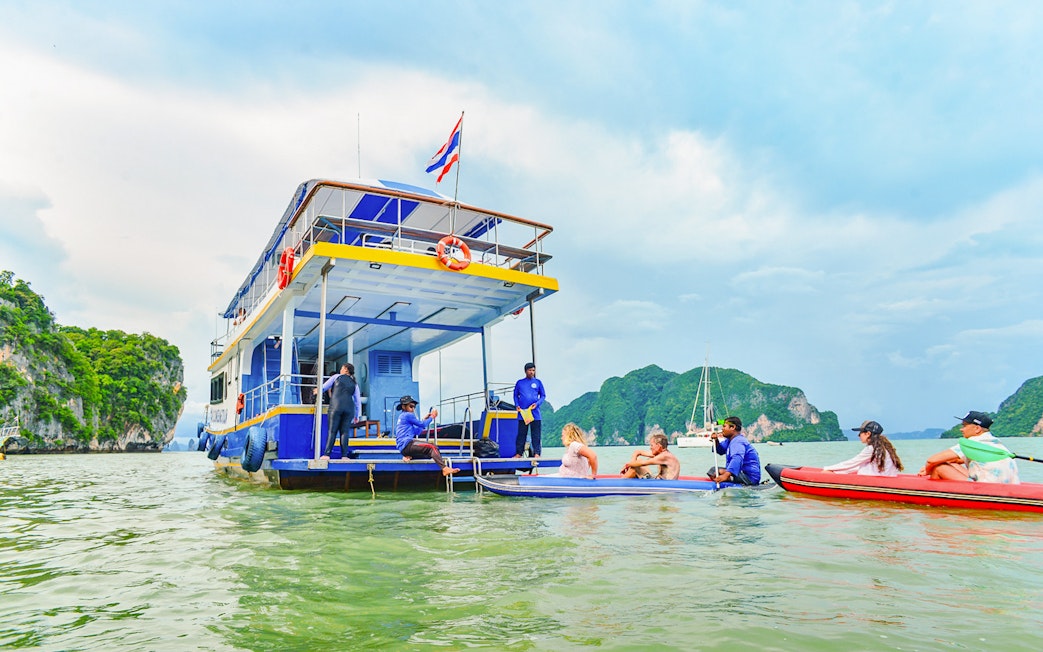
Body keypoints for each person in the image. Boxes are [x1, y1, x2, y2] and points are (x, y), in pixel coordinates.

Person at [919, 411, 1020, 484]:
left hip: (987, 487)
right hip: (1008, 485)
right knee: (947, 462)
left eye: (964, 426)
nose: (961, 429)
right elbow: (957, 460)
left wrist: (928, 470)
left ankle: (936, 505)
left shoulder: (973, 442)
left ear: (977, 429)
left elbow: (931, 461)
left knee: (938, 467)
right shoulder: (995, 443)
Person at [394, 395, 459, 476]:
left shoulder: (403, 418)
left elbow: (417, 431)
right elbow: (422, 424)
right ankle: (445, 469)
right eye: (411, 406)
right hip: (407, 444)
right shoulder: (407, 415)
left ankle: (409, 456)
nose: (413, 409)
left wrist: (425, 420)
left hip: (404, 448)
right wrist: (432, 417)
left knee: (430, 454)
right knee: (433, 447)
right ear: (403, 407)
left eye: (414, 407)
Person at [823, 420, 903, 476]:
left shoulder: (871, 449)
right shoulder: (884, 447)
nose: (858, 435)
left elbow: (852, 463)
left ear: (868, 433)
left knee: (827, 472)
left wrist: (827, 468)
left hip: (873, 480)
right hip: (884, 476)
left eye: (860, 433)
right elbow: (857, 465)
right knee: (855, 468)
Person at [315, 363, 361, 459]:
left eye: (341, 368)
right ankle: (344, 456)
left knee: (332, 431)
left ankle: (327, 455)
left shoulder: (336, 377)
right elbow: (357, 401)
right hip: (349, 409)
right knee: (345, 432)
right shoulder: (354, 383)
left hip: (335, 407)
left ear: (345, 369)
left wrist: (316, 391)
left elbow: (324, 387)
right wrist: (357, 415)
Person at [707, 416, 761, 485]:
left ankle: (729, 478)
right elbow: (720, 450)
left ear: (732, 427)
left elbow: (737, 459)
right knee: (713, 471)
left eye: (724, 426)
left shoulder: (738, 441)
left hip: (749, 477)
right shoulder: (729, 441)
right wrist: (716, 441)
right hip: (739, 473)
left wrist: (726, 475)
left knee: (715, 471)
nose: (722, 429)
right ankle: (729, 479)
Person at [513, 362, 546, 458]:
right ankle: (519, 453)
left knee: (536, 435)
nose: (532, 372)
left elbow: (543, 395)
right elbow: (515, 395)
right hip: (523, 413)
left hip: (535, 413)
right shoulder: (520, 383)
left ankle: (537, 453)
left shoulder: (538, 382)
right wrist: (517, 405)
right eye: (530, 370)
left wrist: (537, 404)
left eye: (533, 370)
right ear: (525, 371)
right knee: (521, 434)